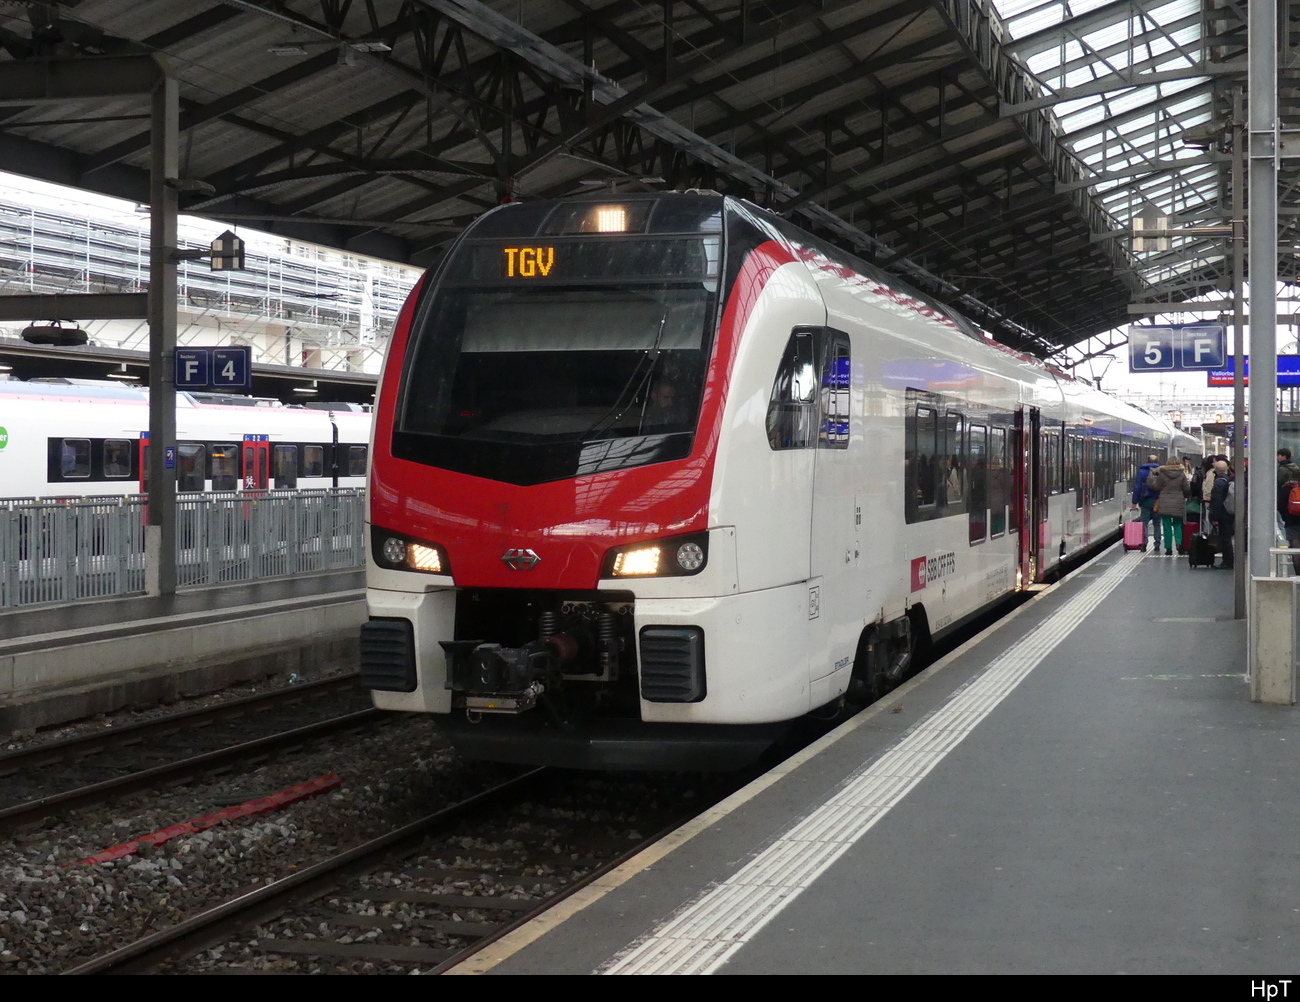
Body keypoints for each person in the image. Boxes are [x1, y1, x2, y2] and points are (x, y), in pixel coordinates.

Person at [1146, 456, 1189, 557]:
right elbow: (1186, 489)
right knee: (1178, 525)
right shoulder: (1182, 474)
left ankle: (1168, 548)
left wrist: (1152, 476)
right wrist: (1184, 496)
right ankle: (1178, 543)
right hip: (1178, 502)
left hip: (1165, 502)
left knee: (1167, 526)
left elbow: (1156, 486)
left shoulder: (1162, 474)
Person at [1132, 453, 1162, 552]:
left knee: (1144, 522)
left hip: (1145, 501)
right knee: (1157, 523)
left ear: (1147, 461)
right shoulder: (1161, 471)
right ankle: (1157, 544)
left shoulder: (1141, 471)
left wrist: (1134, 502)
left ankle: (1144, 543)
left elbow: (1137, 487)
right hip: (1157, 501)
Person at [1209, 460, 1235, 570]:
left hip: (1223, 513)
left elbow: (1217, 501)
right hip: (1230, 512)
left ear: (1217, 470)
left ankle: (1227, 561)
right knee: (1227, 537)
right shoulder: (1230, 479)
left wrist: (1214, 517)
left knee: (1225, 538)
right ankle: (1229, 560)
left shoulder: (1219, 482)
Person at [1279, 452, 1300, 574]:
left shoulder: (1287, 487)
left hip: (1291, 522)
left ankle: (1298, 575)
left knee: (1296, 549)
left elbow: (1281, 506)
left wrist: (1286, 517)